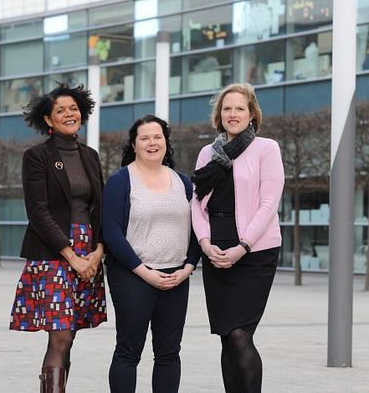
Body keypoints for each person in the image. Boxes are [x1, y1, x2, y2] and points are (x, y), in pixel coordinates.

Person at [9, 83, 107, 392]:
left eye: (73, 108)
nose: (69, 113)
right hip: (54, 254)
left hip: (88, 252)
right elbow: (38, 212)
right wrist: (72, 256)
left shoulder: (90, 156)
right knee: (61, 335)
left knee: (70, 335)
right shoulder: (36, 156)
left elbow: (100, 207)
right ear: (48, 120)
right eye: (60, 110)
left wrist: (97, 252)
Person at [191, 83, 284, 393]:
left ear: (251, 113)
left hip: (255, 253)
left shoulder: (266, 148)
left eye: (239, 108)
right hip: (215, 251)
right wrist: (205, 243)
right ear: (219, 114)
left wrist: (243, 247)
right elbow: (197, 203)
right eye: (227, 108)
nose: (232, 114)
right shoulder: (208, 153)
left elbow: (268, 205)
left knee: (240, 334)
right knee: (226, 335)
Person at [103, 115, 201, 393]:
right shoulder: (121, 181)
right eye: (144, 138)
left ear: (166, 143)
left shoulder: (183, 182)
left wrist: (189, 267)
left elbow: (197, 227)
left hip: (176, 278)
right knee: (129, 351)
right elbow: (111, 232)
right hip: (133, 276)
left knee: (169, 353)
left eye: (157, 137)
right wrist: (145, 272)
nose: (152, 143)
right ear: (134, 145)